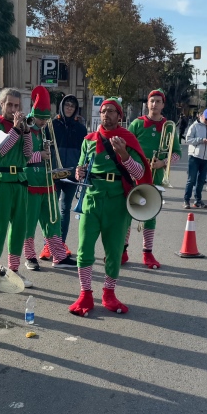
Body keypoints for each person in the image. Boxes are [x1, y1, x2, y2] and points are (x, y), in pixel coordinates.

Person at [68, 98, 152, 316]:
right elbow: (80, 168)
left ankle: (109, 294)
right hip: (91, 200)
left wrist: (124, 155)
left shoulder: (128, 139)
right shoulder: (89, 140)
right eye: (103, 110)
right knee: (84, 249)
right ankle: (85, 293)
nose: (106, 114)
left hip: (117, 201)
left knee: (114, 251)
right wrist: (79, 172)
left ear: (119, 116)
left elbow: (139, 173)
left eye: (111, 111)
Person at [22, 86, 77, 271]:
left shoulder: (44, 130)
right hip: (30, 181)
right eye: (41, 119)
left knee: (53, 220)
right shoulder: (25, 129)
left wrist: (47, 152)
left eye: (46, 119)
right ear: (33, 115)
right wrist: (41, 155)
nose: (44, 122)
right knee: (29, 222)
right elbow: (22, 157)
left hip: (46, 181)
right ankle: (30, 256)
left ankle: (59, 256)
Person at [0, 88, 34, 288]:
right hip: (3, 180)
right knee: (0, 227)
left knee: (19, 228)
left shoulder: (21, 127)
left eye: (17, 105)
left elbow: (28, 154)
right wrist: (15, 129)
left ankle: (13, 270)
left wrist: (27, 131)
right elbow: (1, 150)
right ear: (2, 104)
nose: (13, 109)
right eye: (10, 104)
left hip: (20, 180)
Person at [126, 88, 181, 269]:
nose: (154, 104)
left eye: (158, 101)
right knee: (127, 213)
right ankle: (122, 250)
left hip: (155, 177)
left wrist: (163, 163)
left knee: (150, 215)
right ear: (147, 104)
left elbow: (177, 154)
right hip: (134, 176)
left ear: (163, 105)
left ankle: (147, 253)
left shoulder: (169, 126)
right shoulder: (137, 124)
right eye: (152, 101)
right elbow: (125, 148)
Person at [41, 93, 87, 260]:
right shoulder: (51, 125)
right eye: (67, 105)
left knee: (65, 209)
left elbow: (84, 152)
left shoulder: (81, 128)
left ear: (76, 109)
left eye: (72, 106)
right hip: (54, 172)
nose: (69, 108)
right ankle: (48, 244)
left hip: (71, 174)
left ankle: (60, 244)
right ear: (61, 106)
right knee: (51, 210)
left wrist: (82, 169)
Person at [184, 109, 207, 209]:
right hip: (194, 156)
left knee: (201, 181)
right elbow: (188, 139)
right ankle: (186, 200)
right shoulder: (194, 126)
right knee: (191, 180)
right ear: (201, 116)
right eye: (206, 119)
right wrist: (200, 140)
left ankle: (198, 200)